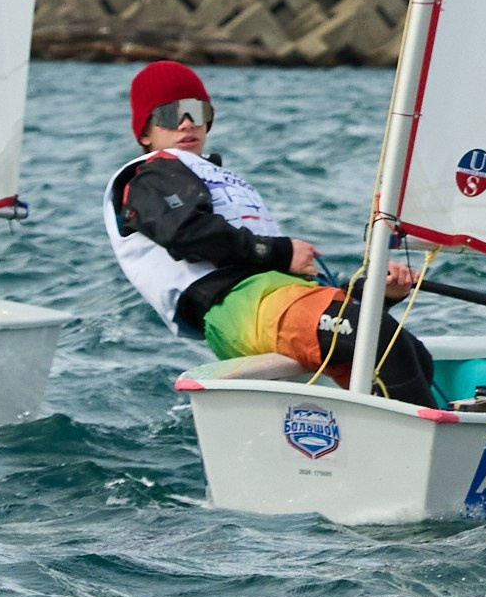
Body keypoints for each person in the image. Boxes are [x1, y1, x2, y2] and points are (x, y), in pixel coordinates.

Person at [104, 59, 438, 405]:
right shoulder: (148, 177)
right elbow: (186, 234)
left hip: (276, 298)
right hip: (234, 308)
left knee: (413, 353)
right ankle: (427, 449)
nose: (186, 122)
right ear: (144, 133)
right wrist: (280, 252)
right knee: (378, 338)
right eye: (168, 115)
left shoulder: (214, 177)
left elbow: (269, 270)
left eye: (195, 110)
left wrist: (376, 295)